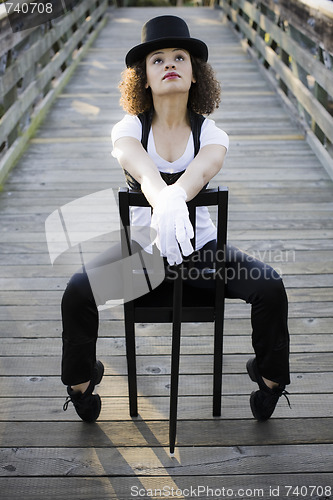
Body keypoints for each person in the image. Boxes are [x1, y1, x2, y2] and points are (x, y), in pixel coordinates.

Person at [61, 15, 291, 424]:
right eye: (158, 59)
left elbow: (202, 171)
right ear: (144, 79)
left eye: (180, 57)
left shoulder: (212, 135)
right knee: (77, 292)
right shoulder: (129, 128)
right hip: (142, 260)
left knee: (270, 286)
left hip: (202, 256)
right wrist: (161, 196)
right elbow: (137, 165)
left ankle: (271, 381)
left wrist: (175, 196)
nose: (170, 64)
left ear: (195, 74)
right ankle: (81, 386)